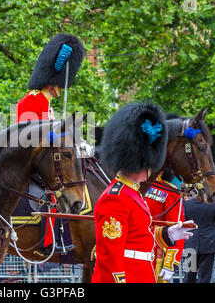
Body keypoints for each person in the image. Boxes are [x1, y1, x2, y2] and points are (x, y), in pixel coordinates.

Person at [91, 102, 195, 283]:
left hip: (142, 275)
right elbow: (110, 255)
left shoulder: (132, 193)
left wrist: (168, 234)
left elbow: (136, 236)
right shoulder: (115, 198)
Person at [16, 34, 85, 255]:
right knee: (53, 190)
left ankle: (61, 238)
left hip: (49, 159)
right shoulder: (30, 100)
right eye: (58, 83)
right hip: (32, 160)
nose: (60, 88)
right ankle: (48, 242)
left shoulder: (47, 103)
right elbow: (26, 136)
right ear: (50, 80)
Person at [144, 168, 185, 283]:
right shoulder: (132, 187)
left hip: (155, 253)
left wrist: (170, 262)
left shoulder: (169, 191)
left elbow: (176, 229)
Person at [183, 191, 215, 283]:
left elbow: (185, 222)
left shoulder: (187, 203)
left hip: (191, 242)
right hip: (209, 242)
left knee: (189, 273)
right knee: (205, 275)